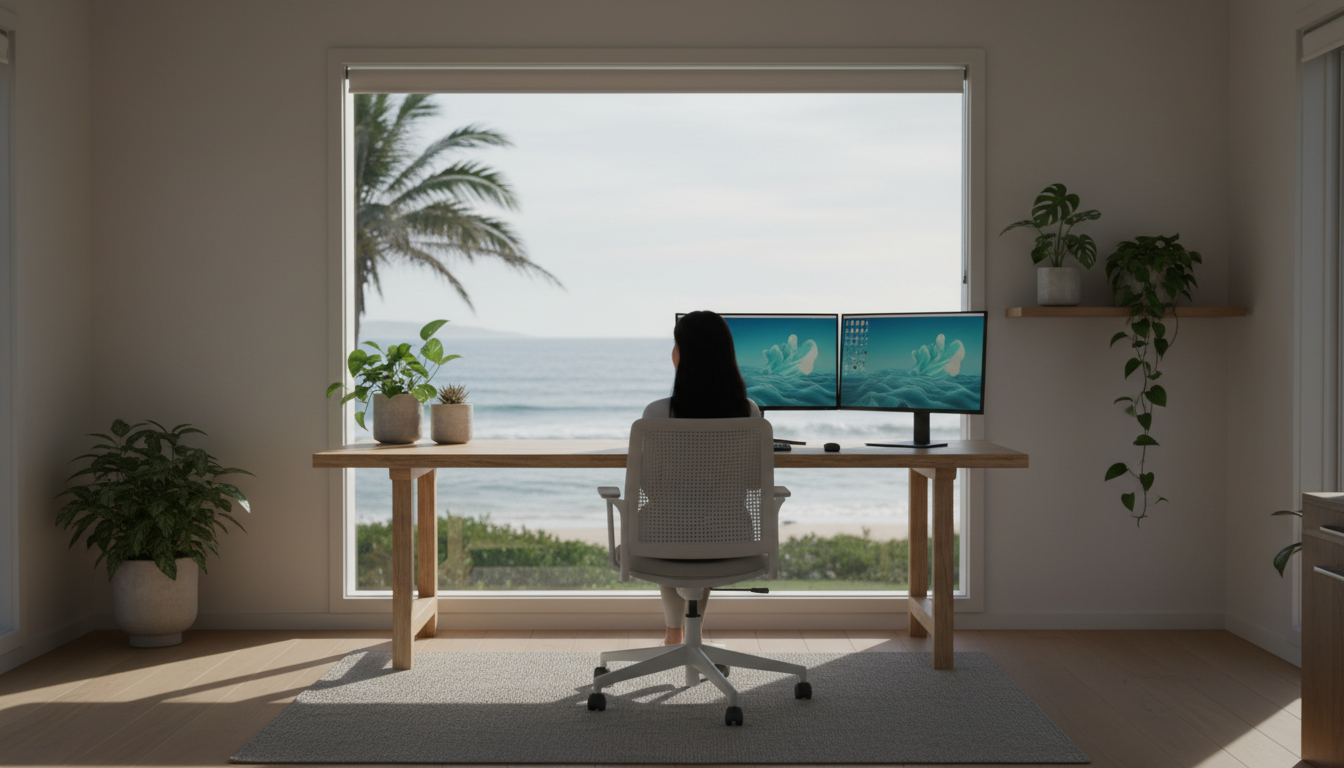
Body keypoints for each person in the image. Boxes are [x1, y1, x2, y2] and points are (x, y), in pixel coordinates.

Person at [642, 310, 762, 645]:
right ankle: (693, 636)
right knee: (705, 528)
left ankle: (673, 636)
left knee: (669, 524)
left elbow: (647, 486)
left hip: (661, 537)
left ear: (682, 354)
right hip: (729, 537)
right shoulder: (749, 413)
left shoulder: (656, 414)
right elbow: (754, 482)